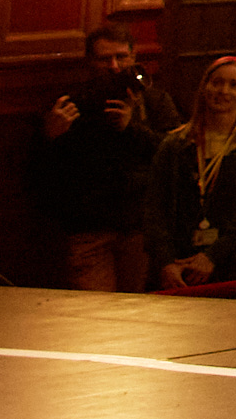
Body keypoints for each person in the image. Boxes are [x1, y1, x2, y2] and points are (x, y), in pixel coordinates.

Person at [29, 23, 173, 289]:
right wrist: (50, 137)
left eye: (122, 57)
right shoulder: (70, 105)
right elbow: (44, 174)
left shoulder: (154, 101)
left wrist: (132, 128)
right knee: (94, 312)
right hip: (89, 229)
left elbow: (174, 154)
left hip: (138, 228)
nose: (115, 66)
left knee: (134, 308)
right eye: (105, 59)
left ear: (134, 57)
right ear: (90, 62)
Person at [143, 53, 236, 287]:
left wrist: (212, 256)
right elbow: (155, 209)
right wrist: (165, 262)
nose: (223, 91)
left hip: (235, 263)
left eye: (234, 85)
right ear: (204, 87)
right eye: (217, 82)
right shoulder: (175, 144)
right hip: (177, 265)